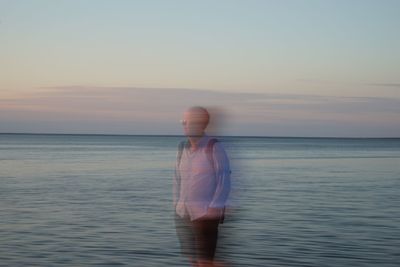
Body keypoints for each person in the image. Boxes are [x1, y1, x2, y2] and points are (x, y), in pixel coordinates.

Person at [174, 106, 231, 267]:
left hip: (205, 215)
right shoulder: (181, 148)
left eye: (188, 121)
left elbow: (224, 180)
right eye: (182, 121)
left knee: (205, 262)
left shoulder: (214, 147)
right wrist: (176, 204)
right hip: (184, 213)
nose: (184, 124)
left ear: (201, 124)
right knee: (193, 261)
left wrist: (214, 208)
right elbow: (177, 179)